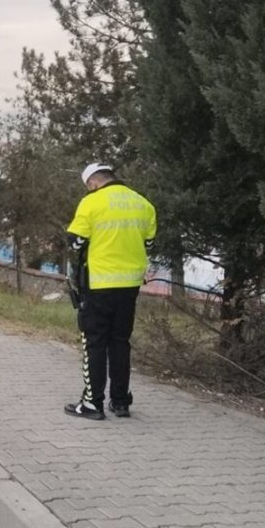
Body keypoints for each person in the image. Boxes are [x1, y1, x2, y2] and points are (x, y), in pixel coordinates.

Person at [64, 163, 156, 420]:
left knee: (94, 343)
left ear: (93, 182)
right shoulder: (143, 203)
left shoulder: (92, 202)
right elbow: (148, 242)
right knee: (120, 342)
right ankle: (120, 401)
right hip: (129, 286)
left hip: (99, 284)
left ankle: (93, 403)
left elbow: (75, 241)